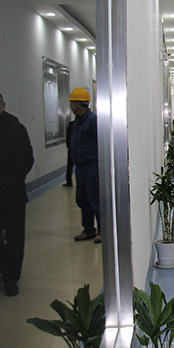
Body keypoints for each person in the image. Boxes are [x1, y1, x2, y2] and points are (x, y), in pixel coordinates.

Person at [0, 90, 34, 296]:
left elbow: (27, 159)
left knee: (14, 238)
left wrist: (11, 180)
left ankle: (11, 279)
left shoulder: (16, 129)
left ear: (3, 105)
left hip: (12, 195)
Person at [69, 88, 101, 244]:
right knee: (83, 199)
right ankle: (88, 229)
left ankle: (101, 230)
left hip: (91, 166)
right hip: (80, 167)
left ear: (79, 104)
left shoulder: (93, 120)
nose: (71, 106)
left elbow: (100, 143)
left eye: (72, 103)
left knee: (95, 198)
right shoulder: (77, 121)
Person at [63, 118, 76, 187]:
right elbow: (68, 137)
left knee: (70, 166)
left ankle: (69, 181)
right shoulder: (72, 124)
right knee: (70, 167)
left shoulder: (72, 125)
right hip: (72, 149)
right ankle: (69, 181)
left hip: (75, 149)